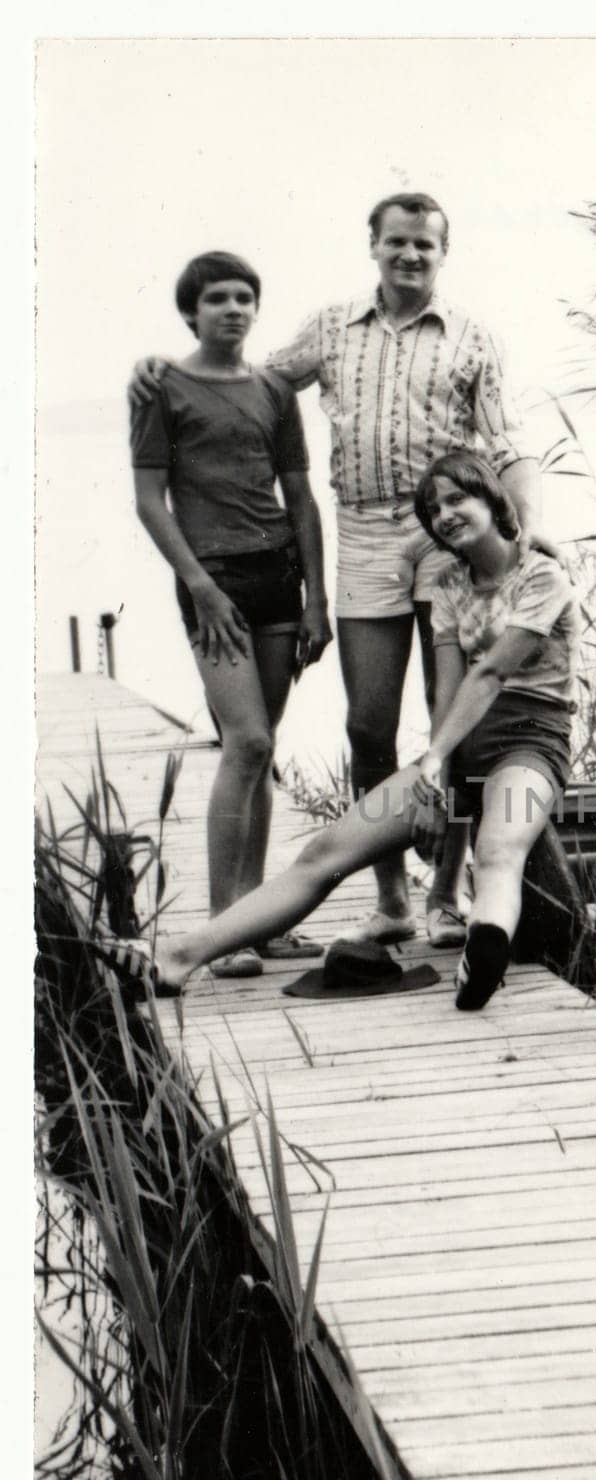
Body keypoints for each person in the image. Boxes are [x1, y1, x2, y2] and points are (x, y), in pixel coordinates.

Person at [130, 192, 553, 952]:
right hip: (359, 531)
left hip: (442, 536)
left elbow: (510, 440)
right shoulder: (332, 327)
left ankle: (447, 896)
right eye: (397, 242)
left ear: (442, 252)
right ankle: (392, 895)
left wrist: (530, 531)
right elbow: (247, 384)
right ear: (374, 246)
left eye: (425, 245)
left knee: (451, 712)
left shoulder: (473, 337)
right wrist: (161, 366)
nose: (410, 256)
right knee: (367, 723)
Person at [103, 450, 579, 1013]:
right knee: (325, 853)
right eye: (433, 509)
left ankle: (484, 955)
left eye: (458, 498)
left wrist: (437, 765)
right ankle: (176, 959)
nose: (446, 514)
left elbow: (492, 672)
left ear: (492, 499)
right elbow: (446, 692)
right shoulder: (450, 586)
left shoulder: (543, 572)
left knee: (501, 847)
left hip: (529, 745)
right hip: (460, 746)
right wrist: (439, 778)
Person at [130, 250, 333, 979]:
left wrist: (318, 598)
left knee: (263, 748)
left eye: (245, 297)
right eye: (217, 298)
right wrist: (200, 584)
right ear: (192, 312)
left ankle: (260, 925)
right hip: (211, 580)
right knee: (243, 742)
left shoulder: (277, 389)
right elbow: (151, 501)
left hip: (279, 574)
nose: (233, 309)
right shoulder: (161, 387)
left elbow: (301, 497)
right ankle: (222, 930)